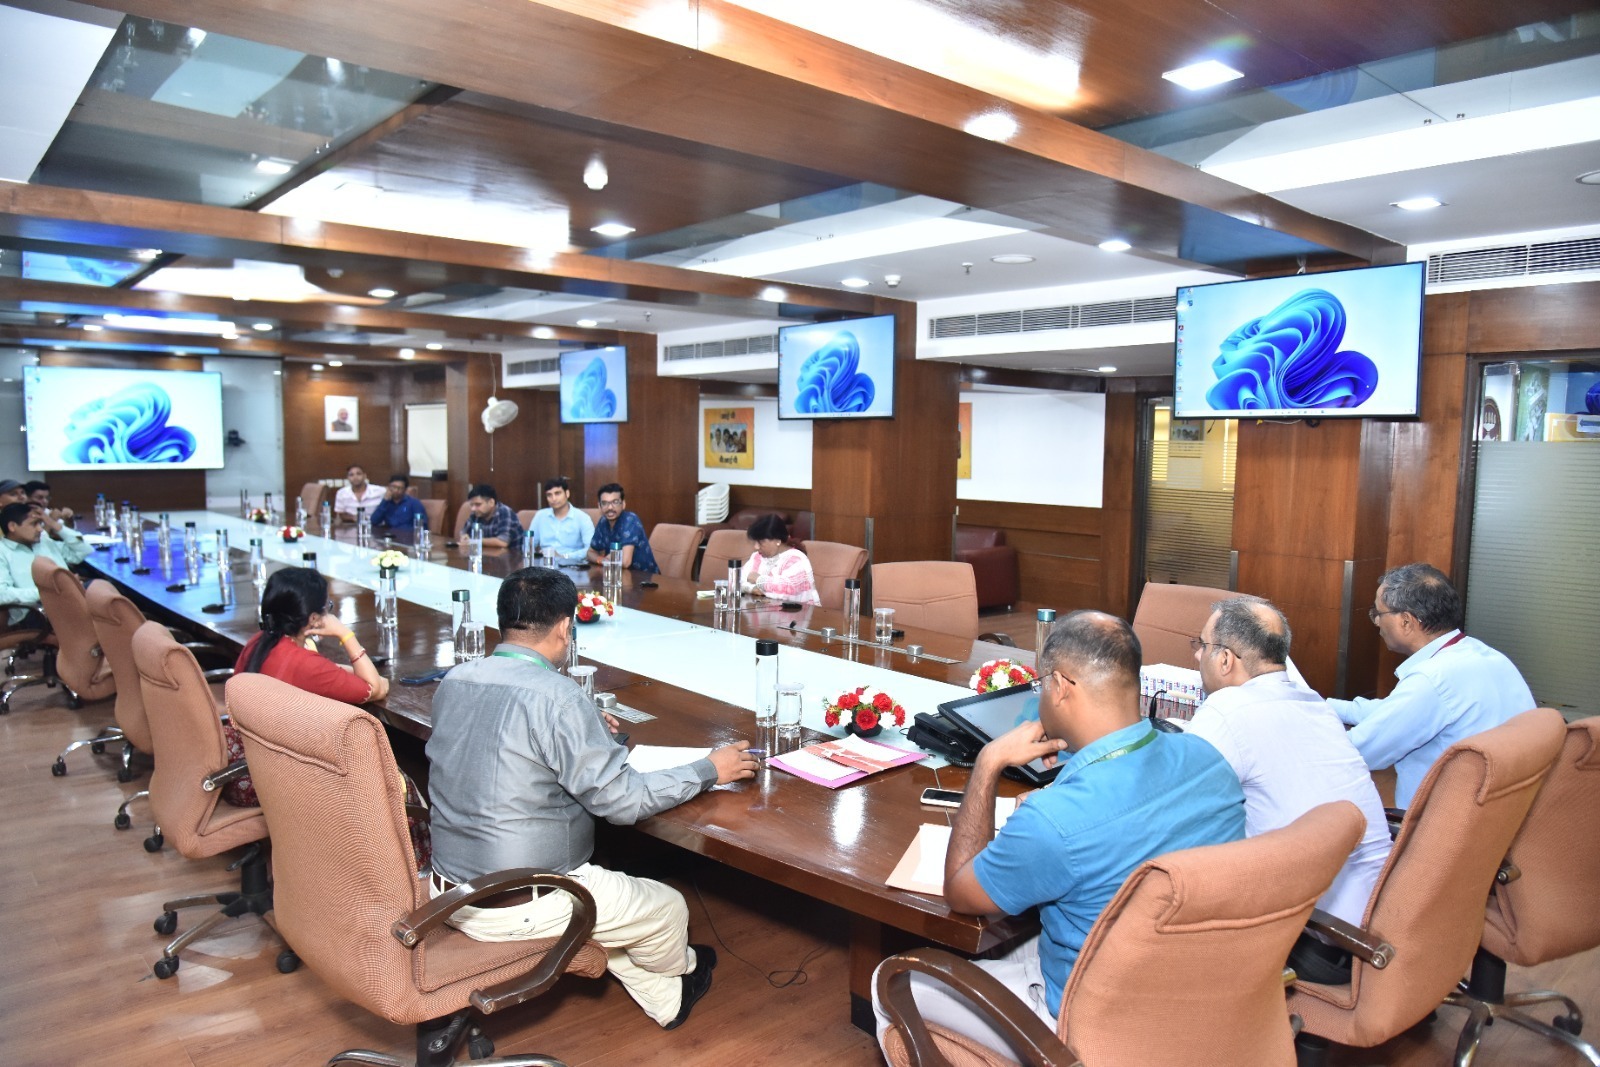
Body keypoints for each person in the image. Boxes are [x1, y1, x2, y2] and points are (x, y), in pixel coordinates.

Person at [873, 611, 1244, 1057]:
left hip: (1089, 1026)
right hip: (1199, 997)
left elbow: (961, 891)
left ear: (1061, 686)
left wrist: (989, 763)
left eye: (1042, 684)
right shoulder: (1210, 761)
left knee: (891, 983)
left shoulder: (1055, 821)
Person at [426, 567, 759, 1028]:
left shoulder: (456, 679)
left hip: (448, 891)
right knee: (668, 908)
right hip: (524, 899)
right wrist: (710, 769)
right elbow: (623, 803)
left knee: (618, 915)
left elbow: (499, 739)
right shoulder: (558, 696)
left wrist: (582, 728)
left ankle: (667, 1000)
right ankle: (681, 971)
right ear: (566, 628)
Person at [1183, 595, 1392, 983]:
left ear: (1225, 660)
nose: (1197, 656)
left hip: (1326, 941)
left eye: (1202, 645)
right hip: (1385, 918)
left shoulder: (1227, 709)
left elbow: (1173, 801)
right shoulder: (1314, 705)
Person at [1328, 563, 1534, 808]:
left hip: (1439, 820)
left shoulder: (1432, 679)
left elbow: (1361, 751)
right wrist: (1323, 705)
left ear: (1406, 622)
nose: (1377, 623)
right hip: (1500, 808)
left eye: (1379, 613)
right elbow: (1393, 712)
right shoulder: (1486, 656)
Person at [229, 568, 397, 816]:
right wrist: (345, 634)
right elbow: (375, 688)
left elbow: (329, 672)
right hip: (276, 783)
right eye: (327, 607)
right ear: (314, 618)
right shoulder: (304, 664)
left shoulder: (259, 642)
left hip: (245, 768)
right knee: (395, 782)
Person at [0, 502, 91, 628]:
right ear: (12, 526)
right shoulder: (2, 552)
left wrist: (53, 524)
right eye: (34, 524)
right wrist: (51, 591)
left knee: (101, 588)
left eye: (40, 523)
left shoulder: (43, 541)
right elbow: (2, 594)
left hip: (70, 599)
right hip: (36, 612)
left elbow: (84, 551)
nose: (40, 529)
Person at [739, 514, 818, 605]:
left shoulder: (797, 559)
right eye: (755, 542)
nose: (756, 547)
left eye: (761, 542)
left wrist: (758, 579)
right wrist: (752, 589)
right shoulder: (757, 557)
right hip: (767, 610)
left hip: (799, 612)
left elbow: (787, 592)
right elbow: (737, 581)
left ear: (777, 540)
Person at [587, 483, 658, 573]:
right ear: (599, 506)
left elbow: (625, 562)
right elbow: (589, 553)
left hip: (644, 578)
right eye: (604, 503)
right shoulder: (603, 521)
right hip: (618, 575)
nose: (610, 507)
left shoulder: (630, 520)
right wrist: (601, 560)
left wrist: (608, 559)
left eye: (615, 502)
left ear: (623, 504)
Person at [528, 476, 594, 562]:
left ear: (567, 494)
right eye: (549, 495)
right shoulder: (540, 516)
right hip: (545, 563)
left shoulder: (583, 518)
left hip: (572, 564)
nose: (553, 499)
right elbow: (528, 545)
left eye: (557, 493)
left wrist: (563, 556)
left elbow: (591, 550)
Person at [459, 483, 522, 547]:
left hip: (512, 553)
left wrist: (474, 540)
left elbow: (502, 542)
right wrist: (464, 537)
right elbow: (464, 532)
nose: (473, 509)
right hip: (486, 552)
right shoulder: (476, 514)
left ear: (491, 502)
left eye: (478, 504)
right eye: (471, 505)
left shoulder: (504, 512)